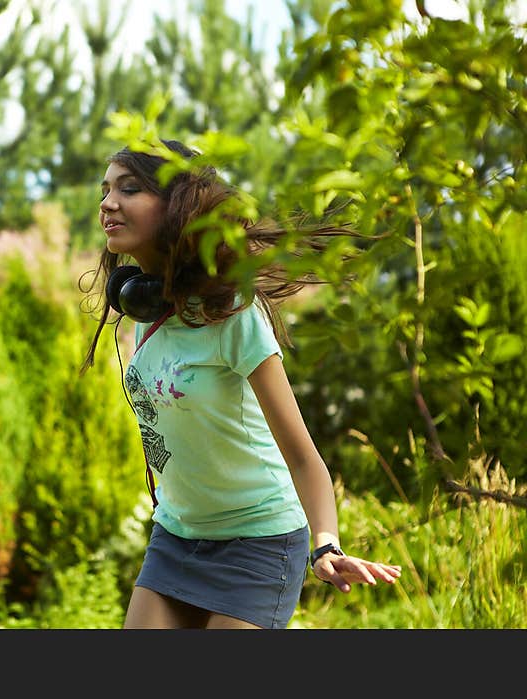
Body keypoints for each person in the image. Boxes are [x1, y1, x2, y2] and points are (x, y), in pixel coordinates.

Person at [79, 139, 401, 629]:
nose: (107, 203)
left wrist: (325, 544)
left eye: (129, 188)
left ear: (176, 206)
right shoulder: (149, 312)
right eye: (105, 190)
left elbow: (302, 457)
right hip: (176, 535)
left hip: (258, 543)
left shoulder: (233, 314)